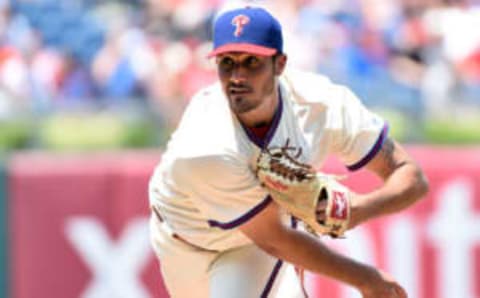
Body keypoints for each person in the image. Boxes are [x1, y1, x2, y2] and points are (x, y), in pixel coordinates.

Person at [148, 6, 428, 298]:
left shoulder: (322, 104)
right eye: (227, 62)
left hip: (251, 244)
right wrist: (365, 278)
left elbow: (410, 176)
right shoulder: (205, 142)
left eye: (251, 62)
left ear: (279, 64)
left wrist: (359, 210)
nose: (237, 76)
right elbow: (275, 239)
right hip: (184, 240)